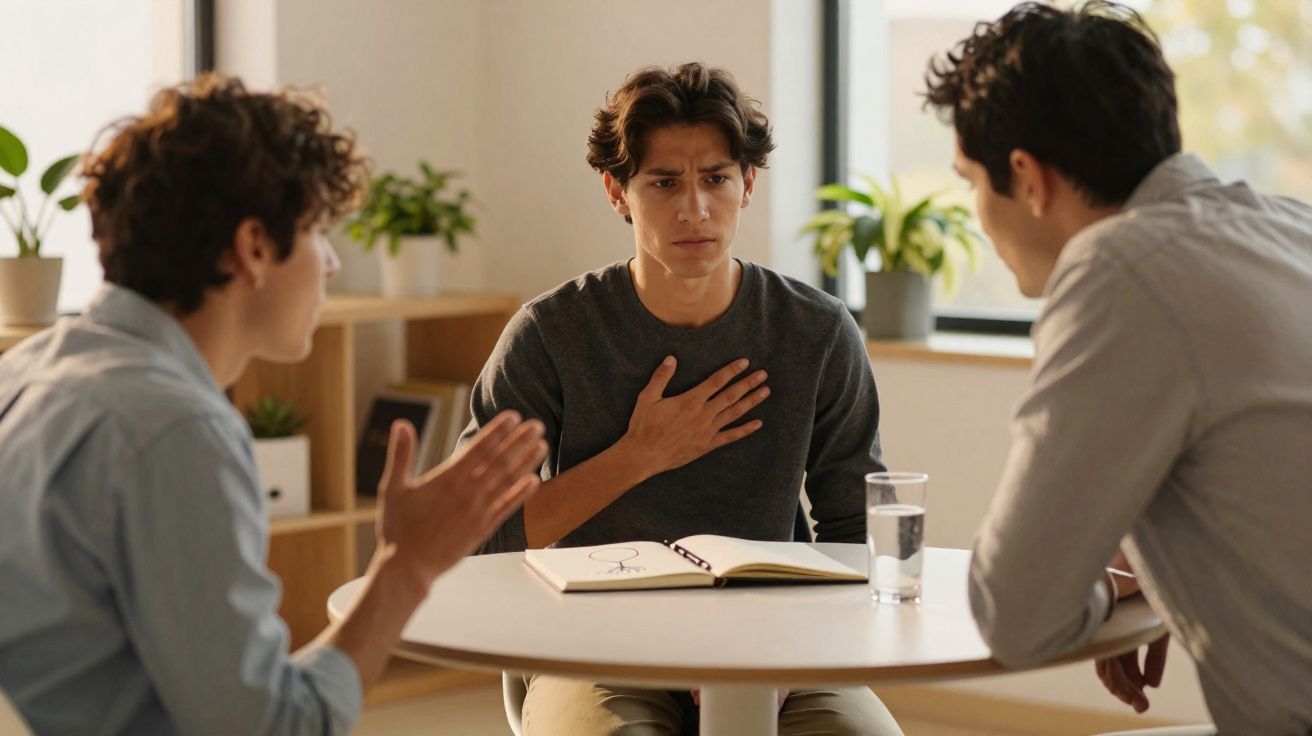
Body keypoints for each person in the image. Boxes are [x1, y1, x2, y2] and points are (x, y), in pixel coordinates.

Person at [0, 73, 547, 735]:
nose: (331, 265)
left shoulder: (24, 374)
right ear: (254, 247)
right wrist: (406, 568)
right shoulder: (175, 431)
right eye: (319, 231)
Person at [460, 62, 902, 735]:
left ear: (747, 185)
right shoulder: (551, 334)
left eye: (715, 179)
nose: (694, 209)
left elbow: (856, 527)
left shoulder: (815, 331)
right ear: (618, 191)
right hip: (592, 643)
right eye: (664, 183)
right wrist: (640, 455)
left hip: (776, 639)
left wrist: (792, 653)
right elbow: (479, 535)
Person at [923, 3, 1312, 733]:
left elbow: (1015, 614)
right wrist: (1161, 574)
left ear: (1027, 179)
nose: (976, 210)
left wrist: (1105, 589)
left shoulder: (1120, 271)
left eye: (970, 181)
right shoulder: (1290, 228)